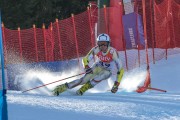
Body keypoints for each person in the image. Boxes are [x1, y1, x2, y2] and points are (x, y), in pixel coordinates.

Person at [52, 33, 124, 96]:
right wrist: (86, 67)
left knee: (102, 76)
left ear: (108, 44)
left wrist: (116, 84)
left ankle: (84, 88)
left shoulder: (113, 52)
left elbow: (120, 70)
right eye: (100, 44)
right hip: (98, 67)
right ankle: (63, 87)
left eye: (104, 44)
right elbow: (85, 59)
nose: (102, 46)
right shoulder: (96, 49)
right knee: (83, 80)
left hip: (108, 70)